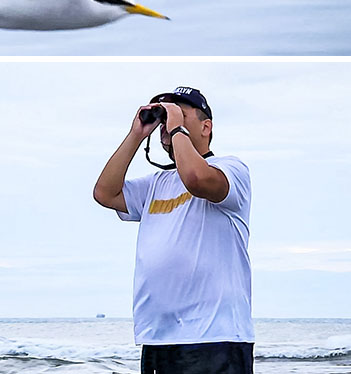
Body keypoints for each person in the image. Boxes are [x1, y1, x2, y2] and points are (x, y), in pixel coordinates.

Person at [93, 88, 253, 374]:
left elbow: (196, 179)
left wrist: (177, 127)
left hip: (215, 337)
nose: (168, 121)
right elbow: (104, 193)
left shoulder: (230, 168)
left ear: (207, 127)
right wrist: (137, 135)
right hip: (158, 339)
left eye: (179, 111)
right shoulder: (156, 183)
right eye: (165, 114)